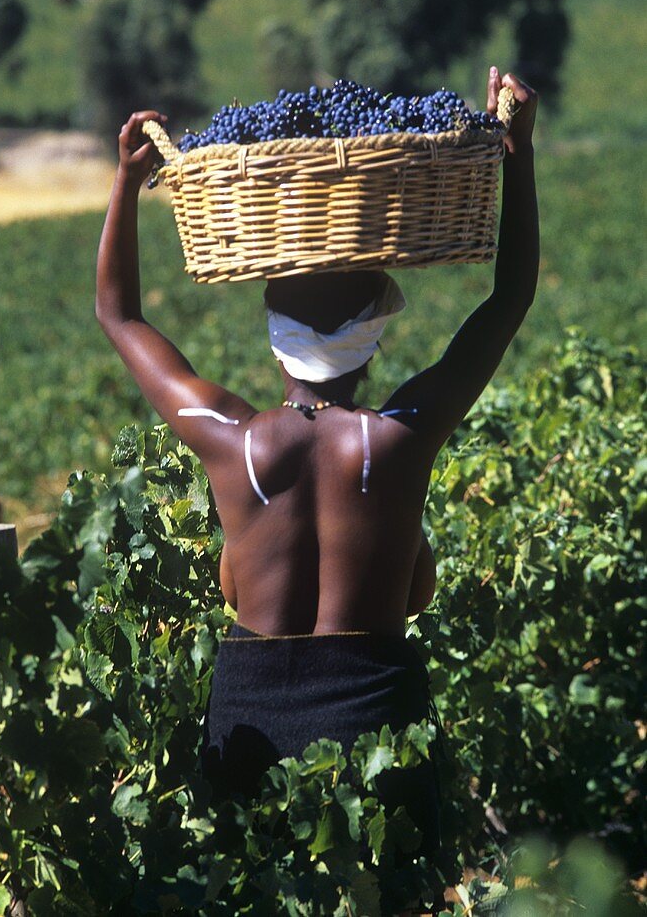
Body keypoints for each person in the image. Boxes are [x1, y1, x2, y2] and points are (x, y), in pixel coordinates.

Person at [95, 67, 539, 897]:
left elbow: (119, 316)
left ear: (276, 342)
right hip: (377, 721)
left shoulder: (233, 443)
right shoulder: (400, 438)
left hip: (249, 726)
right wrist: (516, 151)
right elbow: (508, 297)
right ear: (373, 341)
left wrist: (126, 180)